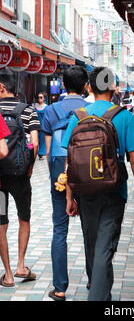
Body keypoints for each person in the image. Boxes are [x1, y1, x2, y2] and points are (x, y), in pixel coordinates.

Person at [61, 67, 134, 301]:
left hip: (84, 192)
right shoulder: (124, 116)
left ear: (89, 87)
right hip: (113, 190)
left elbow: (70, 162)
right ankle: (99, 296)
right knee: (104, 246)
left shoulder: (78, 116)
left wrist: (70, 197)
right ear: (113, 87)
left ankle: (99, 288)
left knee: (93, 243)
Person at [41, 66, 89, 302]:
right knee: (91, 229)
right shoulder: (91, 109)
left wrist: (56, 177)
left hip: (60, 172)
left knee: (60, 230)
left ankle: (60, 288)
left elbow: (49, 151)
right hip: (89, 173)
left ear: (62, 84)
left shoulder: (50, 111)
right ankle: (94, 280)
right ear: (86, 86)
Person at [0, 68, 40, 287]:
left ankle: (6, 274)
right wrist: (29, 167)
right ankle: (21, 266)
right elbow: (34, 143)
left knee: (0, 221)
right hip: (20, 175)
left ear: (2, 87)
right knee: (24, 218)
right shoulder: (28, 110)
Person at [34, 93, 47, 159]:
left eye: (41, 97)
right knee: (35, 140)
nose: (39, 98)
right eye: (38, 97)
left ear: (44, 98)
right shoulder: (34, 106)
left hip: (42, 126)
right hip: (34, 125)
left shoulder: (46, 107)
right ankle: (34, 153)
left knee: (42, 140)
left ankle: (41, 153)